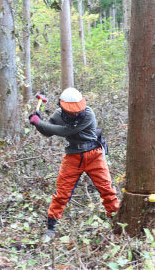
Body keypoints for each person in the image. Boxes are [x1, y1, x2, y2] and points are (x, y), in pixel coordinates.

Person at [29, 87, 119, 238]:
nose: (75, 113)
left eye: (77, 110)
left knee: (107, 190)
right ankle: (51, 228)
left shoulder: (88, 114)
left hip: (94, 155)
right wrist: (38, 122)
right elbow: (48, 131)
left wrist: (40, 123)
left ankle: (116, 222)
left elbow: (65, 131)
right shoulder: (59, 114)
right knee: (61, 193)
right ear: (62, 107)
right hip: (73, 157)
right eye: (72, 111)